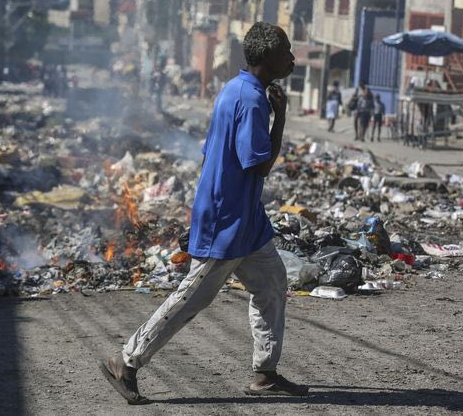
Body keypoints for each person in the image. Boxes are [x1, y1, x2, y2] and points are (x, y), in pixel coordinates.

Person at [99, 22, 308, 405]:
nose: (293, 58)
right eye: (287, 52)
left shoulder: (235, 88)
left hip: (246, 220)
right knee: (191, 297)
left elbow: (212, 153)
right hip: (227, 221)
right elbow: (258, 165)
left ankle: (265, 373)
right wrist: (281, 118)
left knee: (272, 284)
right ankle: (126, 362)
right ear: (267, 57)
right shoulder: (252, 100)